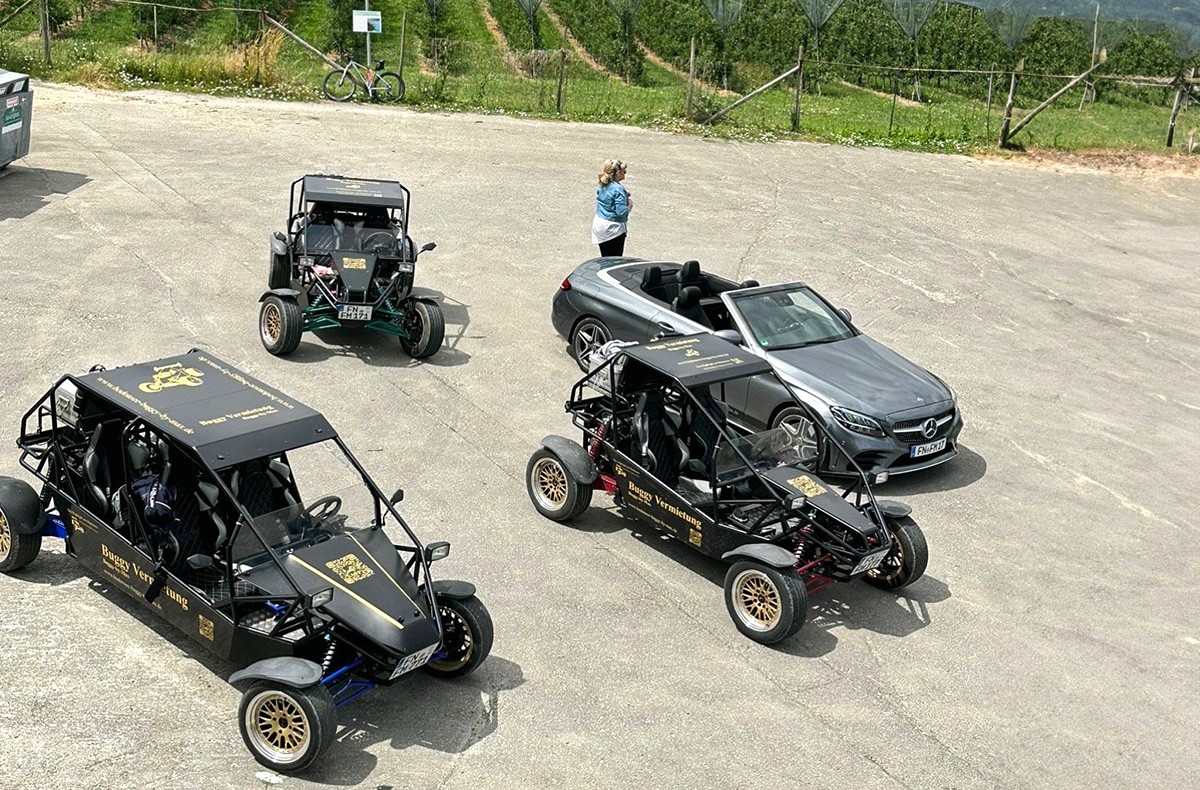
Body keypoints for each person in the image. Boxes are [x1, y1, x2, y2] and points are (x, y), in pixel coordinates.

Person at [592, 159, 632, 257]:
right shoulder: (618, 189)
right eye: (624, 172)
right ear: (618, 173)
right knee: (615, 259)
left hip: (600, 224)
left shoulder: (603, 183)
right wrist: (629, 206)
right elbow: (622, 212)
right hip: (612, 229)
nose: (625, 174)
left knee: (604, 257)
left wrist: (624, 195)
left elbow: (605, 197)